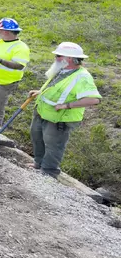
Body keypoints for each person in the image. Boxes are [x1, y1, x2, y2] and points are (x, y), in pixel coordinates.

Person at [29, 42, 101, 177]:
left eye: (58, 55)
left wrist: (66, 106)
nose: (55, 58)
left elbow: (94, 99)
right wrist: (40, 92)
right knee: (37, 137)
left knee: (53, 145)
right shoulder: (61, 69)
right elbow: (57, 88)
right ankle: (38, 164)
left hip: (60, 118)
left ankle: (48, 173)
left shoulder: (82, 77)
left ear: (69, 58)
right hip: (42, 112)